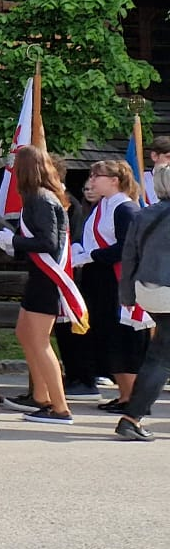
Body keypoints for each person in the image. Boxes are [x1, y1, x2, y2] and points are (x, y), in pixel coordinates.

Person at [0, 142, 81, 424]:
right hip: (39, 276)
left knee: (40, 341)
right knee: (24, 333)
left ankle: (60, 407)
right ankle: (41, 397)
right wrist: (15, 245)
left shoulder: (42, 199)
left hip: (47, 277)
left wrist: (15, 241)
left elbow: (48, 242)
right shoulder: (39, 196)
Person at [76, 159, 147, 413]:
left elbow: (126, 247)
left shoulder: (125, 208)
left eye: (98, 176)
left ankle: (132, 397)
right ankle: (123, 394)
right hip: (100, 280)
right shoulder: (103, 206)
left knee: (122, 337)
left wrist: (92, 255)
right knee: (108, 336)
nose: (92, 180)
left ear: (115, 180)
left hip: (117, 281)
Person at [115, 164, 170, 440]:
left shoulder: (144, 213)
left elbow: (129, 257)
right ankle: (131, 417)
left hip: (147, 290)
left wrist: (126, 295)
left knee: (161, 353)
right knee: (160, 358)